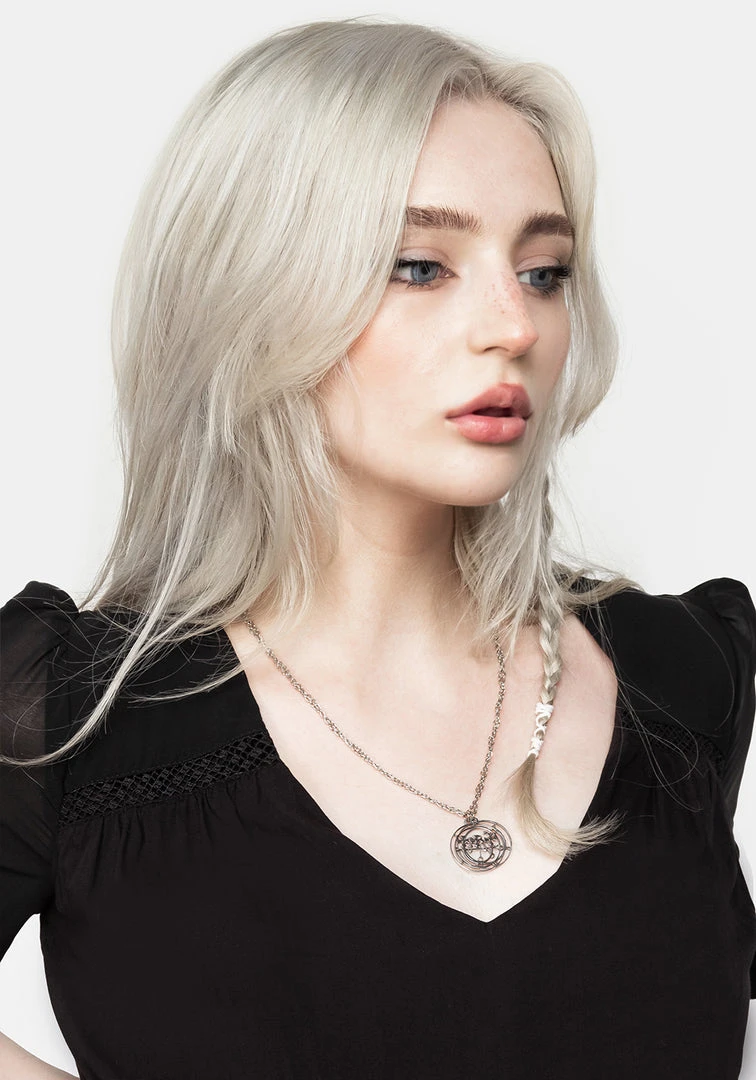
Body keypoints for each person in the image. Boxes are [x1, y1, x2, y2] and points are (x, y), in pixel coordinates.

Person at [1, 15, 754, 1080]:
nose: (515, 326)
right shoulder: (73, 718)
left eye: (544, 271)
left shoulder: (686, 674)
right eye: (420, 265)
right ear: (252, 292)